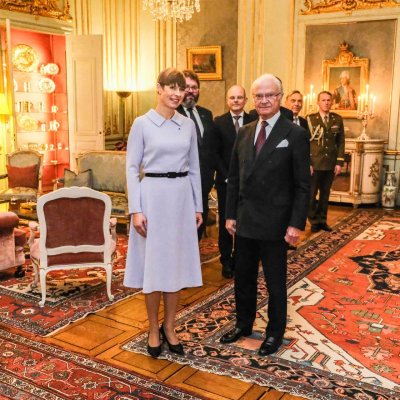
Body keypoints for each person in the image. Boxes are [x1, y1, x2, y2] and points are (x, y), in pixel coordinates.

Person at [220, 74, 310, 355]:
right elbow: (234, 178)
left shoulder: (294, 134)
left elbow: (303, 185)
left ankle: (274, 333)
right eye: (258, 96)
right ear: (253, 99)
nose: (264, 100)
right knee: (243, 278)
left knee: (275, 284)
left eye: (269, 95)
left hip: (276, 224)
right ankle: (243, 324)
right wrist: (230, 214)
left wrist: (296, 223)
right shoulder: (245, 132)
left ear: (280, 97)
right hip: (245, 220)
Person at [124, 68, 203, 358]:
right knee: (154, 266)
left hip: (181, 199)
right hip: (152, 199)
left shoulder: (187, 125)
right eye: (171, 87)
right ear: (158, 88)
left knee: (176, 266)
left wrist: (197, 205)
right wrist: (136, 210)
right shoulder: (142, 123)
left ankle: (170, 327)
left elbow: (194, 167)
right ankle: (153, 329)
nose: (176, 93)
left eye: (181, 88)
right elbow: (132, 169)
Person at [214, 85, 255, 279]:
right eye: (232, 98)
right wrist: (227, 176)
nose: (236, 101)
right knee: (226, 222)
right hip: (225, 183)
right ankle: (226, 260)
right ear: (227, 100)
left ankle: (240, 258)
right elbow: (215, 153)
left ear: (245, 100)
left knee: (244, 222)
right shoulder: (218, 122)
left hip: (248, 183)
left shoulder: (254, 121)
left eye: (239, 97)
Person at [177, 70, 216, 240]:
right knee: (181, 223)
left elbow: (210, 147)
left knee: (200, 220)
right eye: (186, 87)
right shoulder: (172, 113)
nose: (190, 91)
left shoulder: (206, 114)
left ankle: (195, 253)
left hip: (204, 180)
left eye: (194, 87)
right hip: (181, 178)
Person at [307, 91, 345, 232]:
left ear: (332, 102)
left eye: (329, 100)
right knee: (311, 195)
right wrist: (308, 163)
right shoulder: (310, 119)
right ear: (318, 102)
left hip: (330, 163)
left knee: (325, 195)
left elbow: (341, 142)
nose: (326, 102)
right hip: (314, 163)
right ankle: (314, 220)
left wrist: (339, 162)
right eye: (323, 100)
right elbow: (305, 143)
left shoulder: (337, 119)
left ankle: (322, 220)